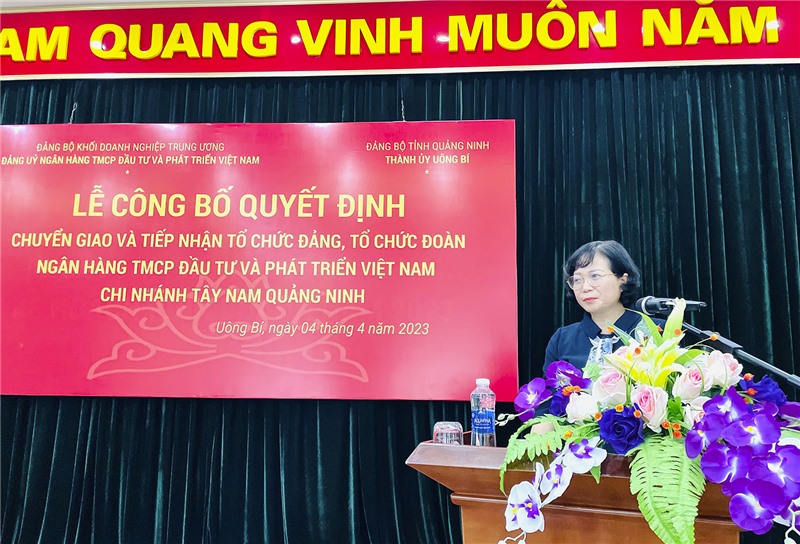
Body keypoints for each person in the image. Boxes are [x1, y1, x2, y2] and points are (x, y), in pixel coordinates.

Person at [544, 240, 654, 371]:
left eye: (595, 276)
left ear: (623, 280)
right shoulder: (562, 339)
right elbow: (550, 383)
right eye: (577, 280)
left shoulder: (656, 331)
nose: (585, 287)